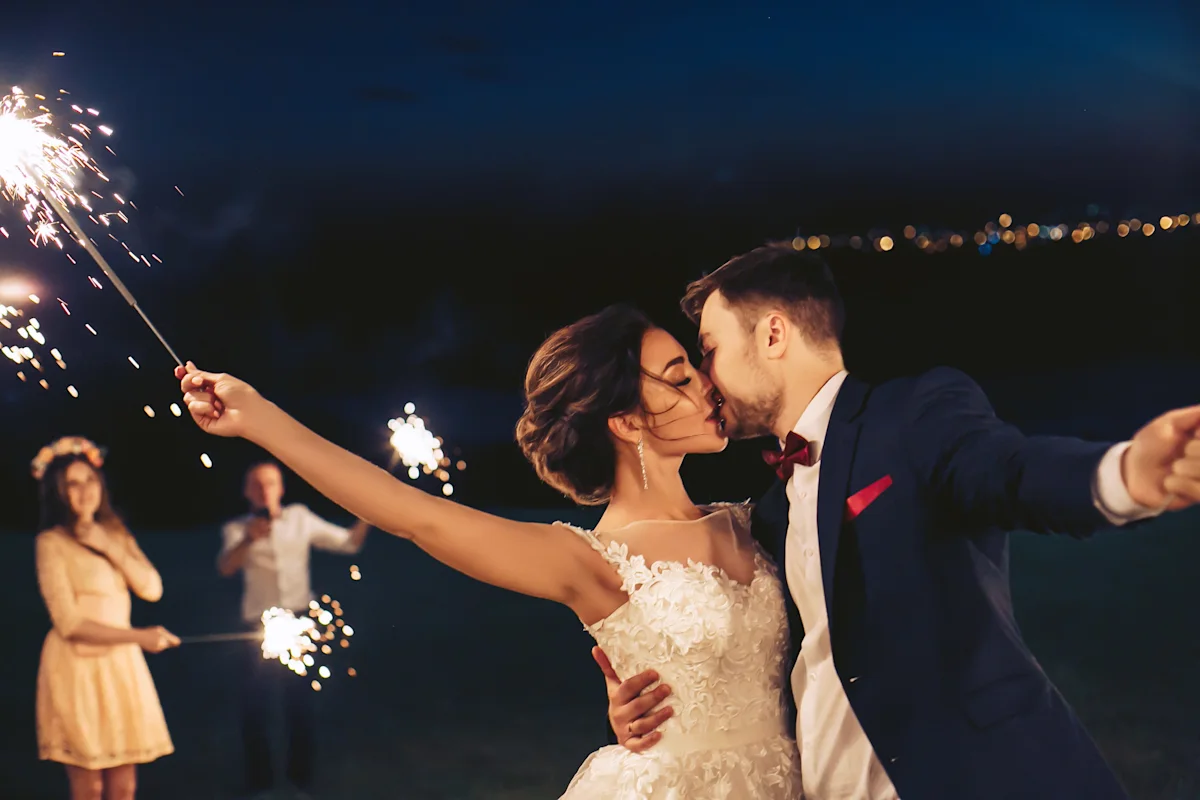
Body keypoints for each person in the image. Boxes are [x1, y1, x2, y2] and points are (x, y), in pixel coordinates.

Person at [598, 243, 1200, 800]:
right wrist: (652, 705)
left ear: (774, 334)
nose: (705, 378)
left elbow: (1009, 472)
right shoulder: (771, 515)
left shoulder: (912, 417)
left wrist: (1123, 474)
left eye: (709, 349)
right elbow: (749, 654)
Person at [175, 304, 806, 798]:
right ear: (625, 421)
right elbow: (417, 518)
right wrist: (258, 418)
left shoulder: (759, 521)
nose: (709, 387)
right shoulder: (593, 561)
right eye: (680, 378)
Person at [32, 436, 180, 800]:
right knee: (88, 785)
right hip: (77, 668)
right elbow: (69, 623)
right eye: (73, 484)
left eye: (90, 480)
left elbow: (151, 587)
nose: (84, 491)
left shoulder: (114, 533)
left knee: (124, 783)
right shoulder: (52, 543)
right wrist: (139, 637)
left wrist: (106, 543)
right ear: (59, 492)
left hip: (120, 668)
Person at [218, 460, 370, 797]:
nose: (264, 490)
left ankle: (301, 778)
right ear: (247, 492)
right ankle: (259, 780)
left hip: (300, 622)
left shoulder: (300, 518)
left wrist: (369, 512)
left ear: (281, 489)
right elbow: (226, 567)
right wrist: (247, 539)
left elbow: (348, 544)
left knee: (298, 703)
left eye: (270, 483)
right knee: (254, 705)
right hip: (257, 627)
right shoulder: (236, 528)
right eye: (256, 485)